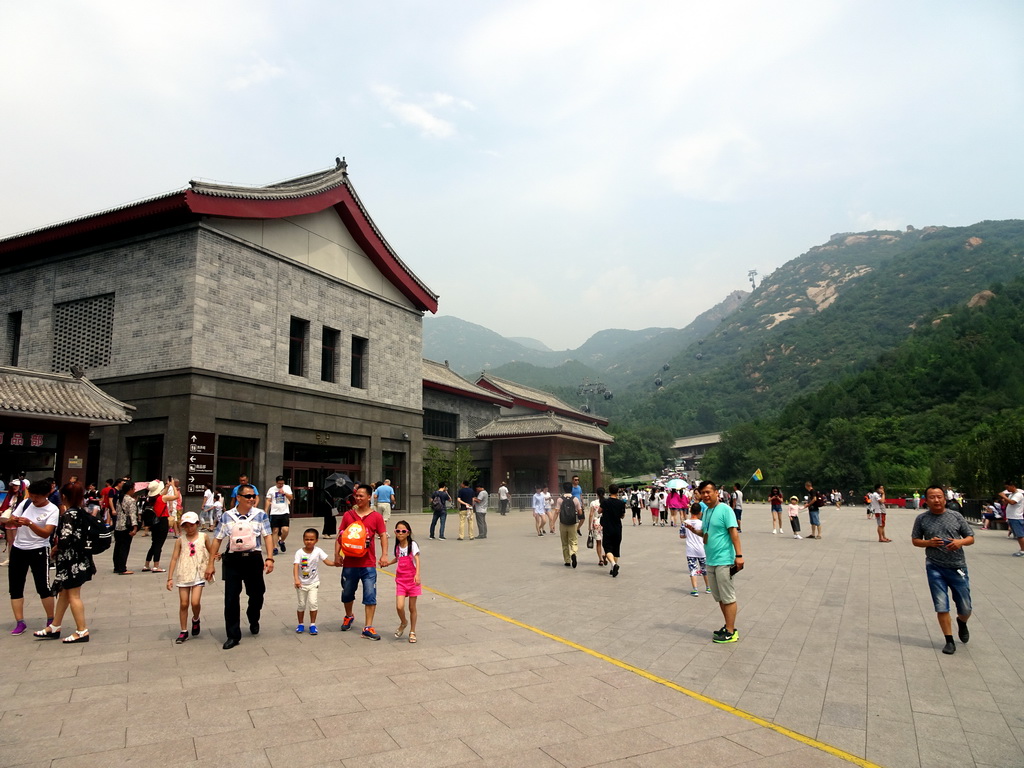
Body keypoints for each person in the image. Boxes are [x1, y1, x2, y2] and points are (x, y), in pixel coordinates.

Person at [209, 483, 274, 649]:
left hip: (253, 559)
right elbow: (217, 539)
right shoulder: (227, 516)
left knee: (257, 594)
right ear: (238, 498)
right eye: (248, 496)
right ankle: (233, 635)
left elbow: (267, 536)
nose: (252, 499)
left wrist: (270, 558)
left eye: (253, 496)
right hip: (232, 560)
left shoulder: (261, 515)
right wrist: (210, 564)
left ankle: (253, 617)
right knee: (231, 598)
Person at [911, 486, 974, 655]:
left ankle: (962, 622)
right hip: (934, 566)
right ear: (927, 499)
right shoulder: (922, 519)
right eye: (932, 497)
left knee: (966, 607)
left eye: (939, 496)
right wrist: (929, 543)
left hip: (958, 566)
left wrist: (960, 543)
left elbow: (970, 537)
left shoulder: (956, 516)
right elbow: (915, 540)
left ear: (945, 498)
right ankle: (949, 640)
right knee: (941, 605)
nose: (936, 500)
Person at [32, 482, 94, 643]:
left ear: (64, 496)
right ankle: (55, 626)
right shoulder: (82, 512)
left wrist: (56, 547)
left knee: (73, 595)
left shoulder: (69, 514)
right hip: (81, 559)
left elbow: (66, 539)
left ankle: (82, 630)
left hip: (70, 561)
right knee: (64, 593)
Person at [336, 484, 388, 640]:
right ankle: (348, 615)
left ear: (369, 497)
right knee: (347, 593)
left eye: (361, 496)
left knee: (370, 595)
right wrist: (337, 554)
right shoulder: (348, 515)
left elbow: (383, 535)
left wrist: (384, 555)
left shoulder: (376, 517)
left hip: (368, 563)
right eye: (356, 496)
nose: (358, 498)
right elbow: (340, 536)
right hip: (350, 563)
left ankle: (368, 626)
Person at [7, 479, 58, 635]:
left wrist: (30, 524)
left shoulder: (52, 509)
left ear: (46, 495)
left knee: (43, 586)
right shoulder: (26, 503)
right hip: (18, 548)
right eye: (32, 496)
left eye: (37, 497)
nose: (33, 499)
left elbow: (46, 533)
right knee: (15, 587)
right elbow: (11, 520)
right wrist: (14, 521)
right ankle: (20, 622)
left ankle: (51, 620)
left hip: (39, 549)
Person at [700, 480, 743, 643]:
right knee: (719, 597)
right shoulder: (707, 512)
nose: (705, 495)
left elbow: (734, 533)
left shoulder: (725, 510)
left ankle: (731, 632)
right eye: (703, 492)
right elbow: (707, 533)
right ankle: (727, 625)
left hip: (724, 559)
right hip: (710, 560)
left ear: (716, 492)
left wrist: (739, 556)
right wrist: (694, 530)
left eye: (708, 492)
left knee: (728, 596)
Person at [166, 512, 215, 644]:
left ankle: (196, 618)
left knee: (195, 602)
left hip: (199, 573)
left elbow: (211, 551)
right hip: (183, 573)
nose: (189, 528)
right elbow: (174, 558)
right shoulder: (180, 540)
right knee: (183, 603)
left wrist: (213, 560)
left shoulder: (203, 537)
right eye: (186, 526)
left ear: (197, 524)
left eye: (192, 525)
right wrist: (170, 577)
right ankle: (183, 631)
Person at [381, 520, 421, 643]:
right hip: (401, 580)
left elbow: (417, 560)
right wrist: (387, 563)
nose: (400, 533)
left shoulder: (412, 545)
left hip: (412, 580)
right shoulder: (397, 547)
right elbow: (397, 559)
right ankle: (404, 622)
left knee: (412, 607)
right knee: (399, 606)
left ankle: (412, 631)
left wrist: (417, 574)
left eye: (403, 531)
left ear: (408, 533)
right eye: (398, 531)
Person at [293, 528, 337, 635]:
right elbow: (296, 566)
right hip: (301, 584)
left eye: (311, 539)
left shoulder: (318, 551)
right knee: (301, 604)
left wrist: (336, 563)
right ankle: (301, 624)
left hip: (314, 583)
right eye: (307, 539)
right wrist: (296, 579)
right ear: (303, 539)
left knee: (313, 603)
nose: (309, 541)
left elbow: (327, 561)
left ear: (316, 540)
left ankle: (312, 624)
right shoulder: (299, 552)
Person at [111, 477, 140, 574]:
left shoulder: (120, 498)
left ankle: (116, 567)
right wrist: (135, 528)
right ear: (130, 489)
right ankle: (122, 568)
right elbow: (132, 514)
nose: (134, 490)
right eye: (134, 488)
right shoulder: (130, 500)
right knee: (124, 547)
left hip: (118, 525)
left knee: (118, 547)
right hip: (126, 527)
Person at [680, 504, 709, 596]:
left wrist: (688, 535)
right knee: (704, 569)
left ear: (690, 511)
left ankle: (695, 589)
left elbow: (681, 536)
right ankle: (708, 588)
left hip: (690, 550)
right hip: (702, 550)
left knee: (693, 569)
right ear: (700, 513)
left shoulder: (685, 523)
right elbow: (706, 535)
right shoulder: (702, 523)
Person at [143, 479, 170, 572]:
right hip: (162, 522)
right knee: (159, 545)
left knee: (154, 544)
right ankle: (156, 565)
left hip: (154, 523)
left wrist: (167, 486)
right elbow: (176, 496)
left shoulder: (151, 499)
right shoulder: (161, 498)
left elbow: (163, 493)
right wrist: (173, 486)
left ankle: (146, 565)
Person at [599, 484, 626, 577]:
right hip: (617, 527)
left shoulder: (605, 502)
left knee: (607, 548)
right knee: (616, 548)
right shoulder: (621, 503)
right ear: (617, 491)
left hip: (607, 527)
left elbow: (599, 511)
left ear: (609, 491)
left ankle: (614, 565)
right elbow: (622, 516)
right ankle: (612, 569)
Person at [557, 482, 583, 568]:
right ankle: (573, 553)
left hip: (563, 523)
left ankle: (567, 560)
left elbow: (557, 511)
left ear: (563, 489)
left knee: (564, 543)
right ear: (571, 489)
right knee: (573, 541)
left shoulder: (560, 500)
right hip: (572, 523)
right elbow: (580, 512)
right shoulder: (575, 499)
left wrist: (552, 523)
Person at [265, 475, 294, 555]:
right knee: (275, 530)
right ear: (276, 482)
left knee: (285, 530)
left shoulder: (287, 487)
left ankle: (281, 541)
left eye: (282, 483)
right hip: (274, 512)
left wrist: (284, 493)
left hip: (284, 512)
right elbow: (268, 500)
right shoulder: (271, 489)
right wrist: (265, 510)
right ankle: (274, 547)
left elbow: (291, 497)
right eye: (279, 483)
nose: (280, 485)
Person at [998, 480, 1024, 556]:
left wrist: (1004, 496)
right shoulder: (1011, 494)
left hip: (1016, 517)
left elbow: (1013, 502)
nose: (1007, 489)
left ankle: (1023, 550)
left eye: (1007, 487)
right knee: (1017, 534)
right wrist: (1004, 499)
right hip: (1011, 517)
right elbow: (1007, 503)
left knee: (1020, 535)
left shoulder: (1018, 495)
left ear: (1012, 486)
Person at [587, 488, 605, 566]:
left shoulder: (593, 503)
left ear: (597, 494)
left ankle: (600, 559)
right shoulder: (606, 502)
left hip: (597, 522)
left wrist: (589, 526)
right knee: (606, 542)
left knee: (598, 542)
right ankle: (607, 555)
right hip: (605, 522)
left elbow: (591, 514)